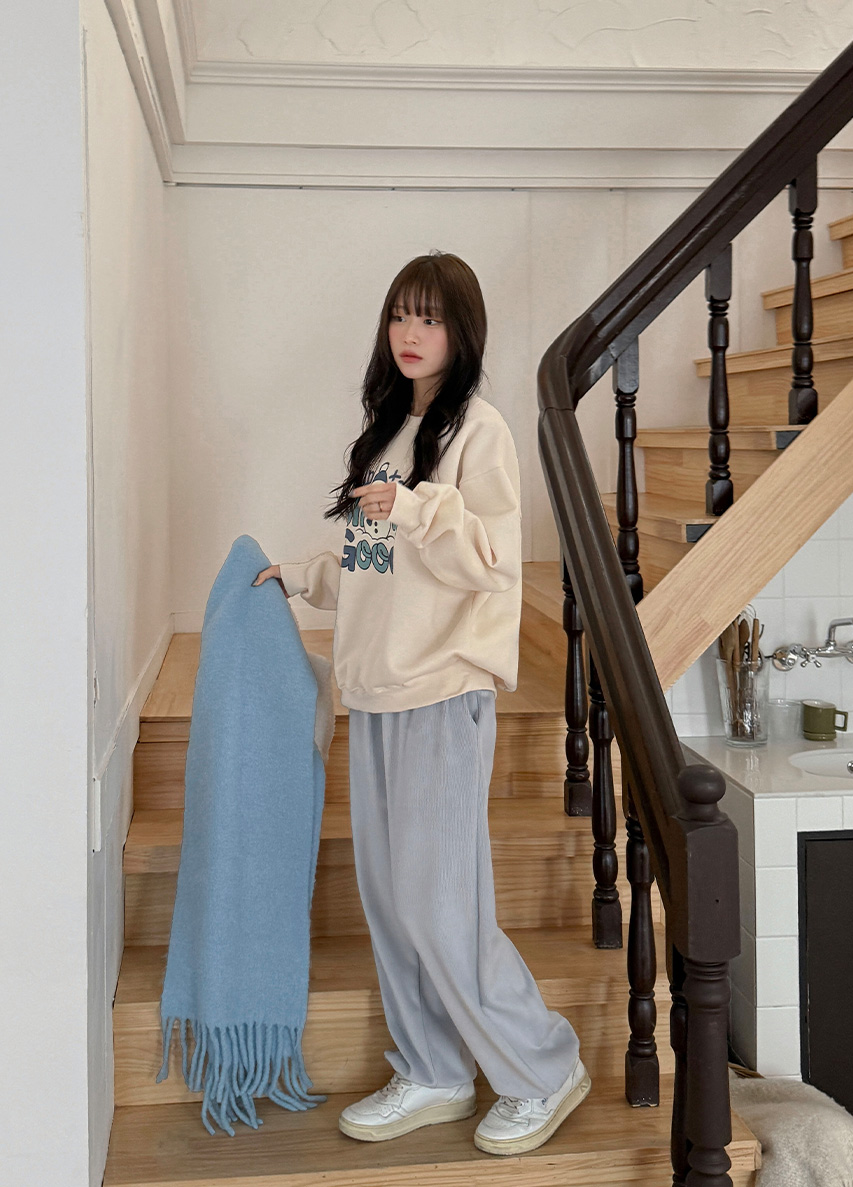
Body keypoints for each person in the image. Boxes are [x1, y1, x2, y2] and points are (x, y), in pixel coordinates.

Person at [253, 250, 589, 1157]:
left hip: (443, 692)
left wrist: (412, 507)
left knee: (443, 908)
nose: (411, 332)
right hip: (374, 694)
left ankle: (542, 1067)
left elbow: (490, 562)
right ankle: (434, 1068)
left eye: (430, 317)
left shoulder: (480, 431)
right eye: (401, 314)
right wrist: (303, 575)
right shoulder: (386, 434)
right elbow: (374, 569)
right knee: (392, 902)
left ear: (461, 332)